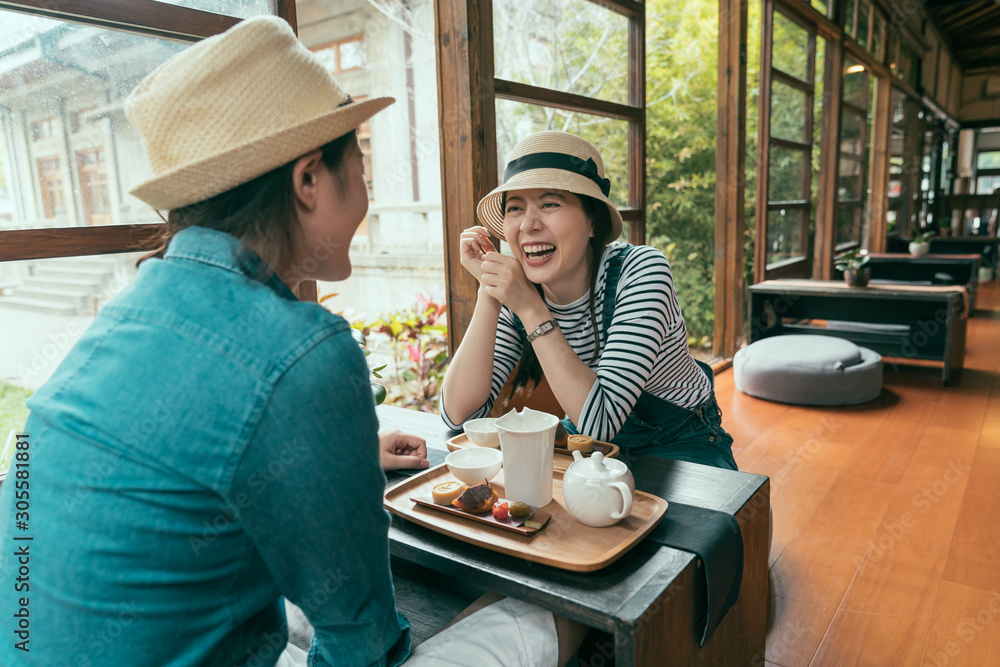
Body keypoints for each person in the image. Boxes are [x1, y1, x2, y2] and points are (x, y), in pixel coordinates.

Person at [0, 17, 583, 667]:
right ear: (310, 179)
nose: (367, 190)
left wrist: (341, 456)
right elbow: (362, 645)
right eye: (359, 163)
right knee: (549, 610)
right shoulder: (302, 352)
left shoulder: (118, 318)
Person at [441, 131, 737, 471]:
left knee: (698, 525)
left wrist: (529, 308)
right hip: (588, 440)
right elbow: (458, 413)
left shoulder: (641, 271)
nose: (528, 224)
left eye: (550, 203)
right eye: (515, 208)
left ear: (592, 221)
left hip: (682, 440)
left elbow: (601, 419)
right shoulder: (522, 290)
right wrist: (488, 293)